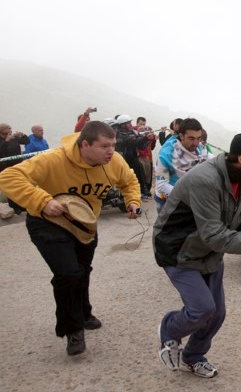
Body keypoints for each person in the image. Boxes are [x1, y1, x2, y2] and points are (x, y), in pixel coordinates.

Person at [154, 132, 241, 378]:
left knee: (217, 313)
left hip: (208, 251)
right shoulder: (206, 180)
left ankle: (193, 356)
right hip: (180, 250)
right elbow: (214, 235)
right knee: (201, 309)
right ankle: (168, 329)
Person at [0, 121, 141, 355]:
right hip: (47, 223)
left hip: (84, 225)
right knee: (68, 273)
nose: (111, 152)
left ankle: (84, 313)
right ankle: (72, 329)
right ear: (85, 144)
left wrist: (132, 200)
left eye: (113, 145)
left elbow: (129, 181)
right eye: (104, 146)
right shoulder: (54, 159)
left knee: (83, 270)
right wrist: (43, 201)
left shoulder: (114, 162)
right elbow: (8, 176)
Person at [154, 118, 208, 212]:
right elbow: (162, 185)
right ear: (181, 136)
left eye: (198, 138)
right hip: (167, 201)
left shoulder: (200, 149)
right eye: (191, 138)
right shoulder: (166, 154)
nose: (196, 143)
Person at [113, 114, 151, 200]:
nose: (130, 124)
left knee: (139, 170)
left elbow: (141, 146)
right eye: (128, 123)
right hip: (122, 159)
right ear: (122, 125)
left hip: (132, 158)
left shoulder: (133, 132)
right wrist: (144, 138)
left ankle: (143, 189)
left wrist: (146, 139)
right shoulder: (117, 134)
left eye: (130, 122)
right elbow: (130, 142)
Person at [0, 123, 31, 214]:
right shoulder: (3, 140)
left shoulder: (14, 137)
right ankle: (13, 206)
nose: (10, 131)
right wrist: (6, 141)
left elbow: (27, 142)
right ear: (2, 130)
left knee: (20, 184)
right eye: (8, 129)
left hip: (18, 164)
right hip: (6, 165)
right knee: (11, 186)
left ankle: (21, 205)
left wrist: (23, 135)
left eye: (10, 129)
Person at [135, 117, 157, 196]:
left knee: (148, 175)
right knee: (141, 174)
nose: (142, 126)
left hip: (147, 156)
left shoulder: (147, 133)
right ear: (137, 123)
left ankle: (146, 190)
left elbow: (152, 147)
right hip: (139, 156)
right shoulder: (134, 132)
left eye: (144, 124)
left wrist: (154, 140)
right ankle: (141, 191)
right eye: (140, 124)